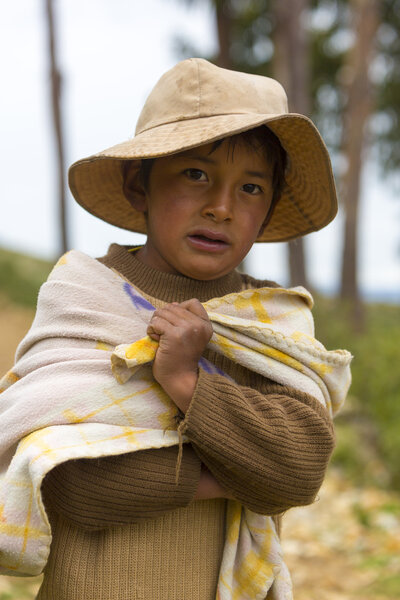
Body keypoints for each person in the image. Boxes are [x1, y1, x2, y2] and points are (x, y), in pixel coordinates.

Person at [0, 58, 352, 600]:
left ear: (269, 207)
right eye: (195, 174)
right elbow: (70, 485)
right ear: (139, 186)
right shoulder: (85, 296)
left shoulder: (270, 322)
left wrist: (185, 381)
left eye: (251, 188)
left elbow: (297, 471)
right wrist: (242, 471)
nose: (221, 207)